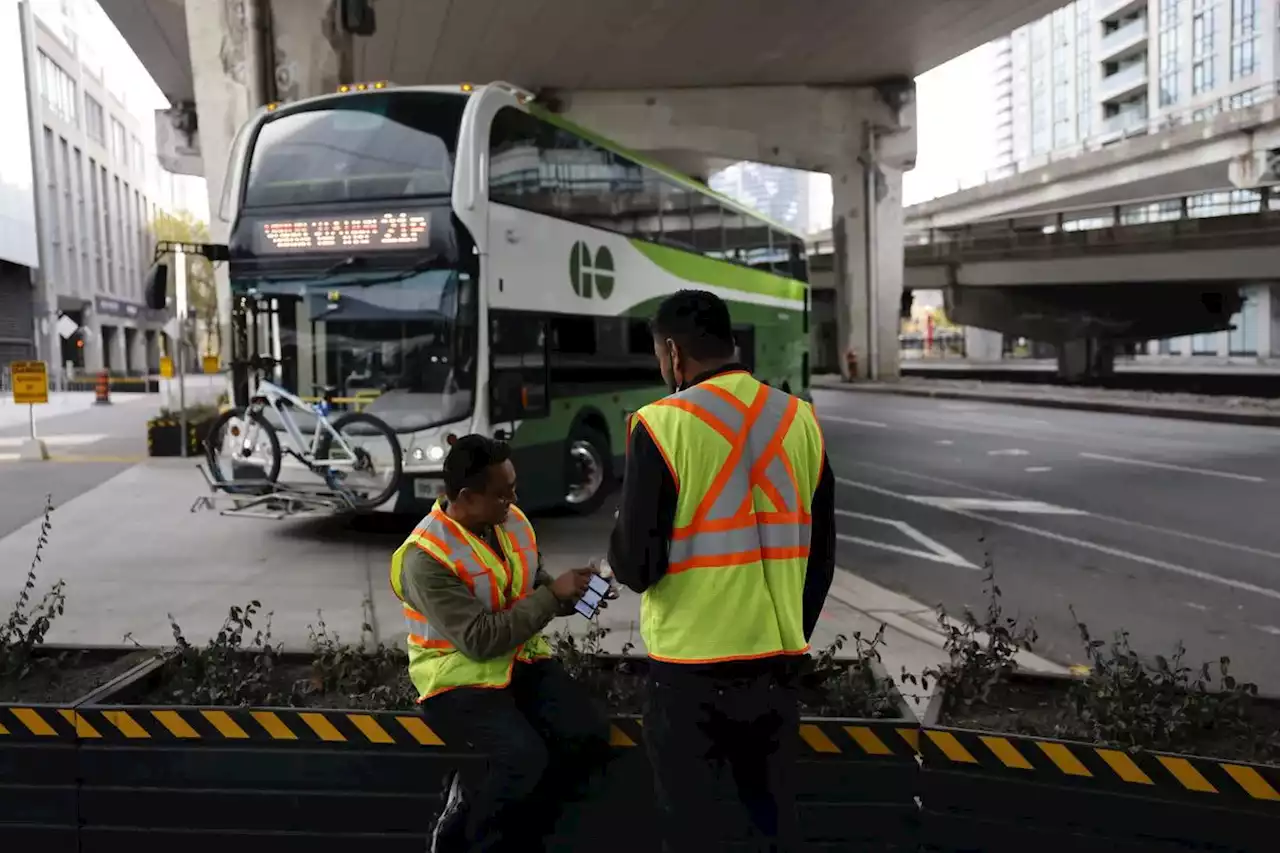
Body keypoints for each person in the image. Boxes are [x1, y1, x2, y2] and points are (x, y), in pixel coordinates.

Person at [608, 289, 837, 853]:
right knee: (772, 824)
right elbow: (821, 553)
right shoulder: (799, 418)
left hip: (690, 674)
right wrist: (791, 629)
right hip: (775, 669)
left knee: (691, 830)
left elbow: (637, 565)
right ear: (731, 342)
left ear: (673, 354)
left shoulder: (662, 425)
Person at [389, 434, 613, 852]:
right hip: (456, 679)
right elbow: (479, 640)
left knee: (588, 735)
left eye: (513, 487)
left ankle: (520, 832)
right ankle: (466, 833)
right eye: (502, 493)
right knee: (523, 759)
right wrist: (552, 595)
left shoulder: (509, 521)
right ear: (466, 497)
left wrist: (576, 593)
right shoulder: (426, 558)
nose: (513, 498)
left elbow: (533, 588)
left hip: (518, 662)